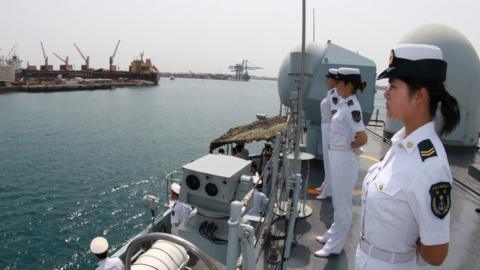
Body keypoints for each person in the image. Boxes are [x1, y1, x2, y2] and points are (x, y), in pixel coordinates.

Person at [355, 44, 460, 270]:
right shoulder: (400, 146)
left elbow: (436, 254)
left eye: (393, 86)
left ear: (420, 95)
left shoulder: (430, 165)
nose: (386, 92)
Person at [315, 67, 368, 257]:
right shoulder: (344, 103)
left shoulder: (352, 106)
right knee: (337, 201)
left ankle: (334, 246)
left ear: (349, 85)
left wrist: (348, 147)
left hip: (343, 158)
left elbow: (362, 137)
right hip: (337, 156)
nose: (336, 86)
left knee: (343, 205)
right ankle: (332, 234)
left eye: (339, 83)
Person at [317, 68, 340, 200]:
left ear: (334, 80)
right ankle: (326, 183)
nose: (327, 80)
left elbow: (335, 115)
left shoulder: (334, 94)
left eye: (329, 78)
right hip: (326, 126)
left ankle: (328, 190)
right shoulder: (331, 93)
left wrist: (333, 133)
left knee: (328, 161)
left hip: (329, 128)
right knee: (327, 160)